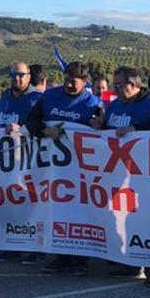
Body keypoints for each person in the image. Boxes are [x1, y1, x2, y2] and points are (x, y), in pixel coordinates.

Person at [27, 61, 104, 274]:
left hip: (82, 170)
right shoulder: (49, 97)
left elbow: (105, 131)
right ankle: (61, 256)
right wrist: (44, 130)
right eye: (67, 80)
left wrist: (100, 126)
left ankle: (80, 259)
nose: (69, 85)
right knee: (57, 209)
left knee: (79, 210)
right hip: (53, 168)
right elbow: (31, 120)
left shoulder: (94, 103)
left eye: (74, 82)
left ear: (85, 82)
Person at [100, 66, 150, 286]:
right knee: (122, 216)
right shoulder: (114, 106)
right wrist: (99, 126)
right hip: (118, 173)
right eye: (115, 85)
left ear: (133, 85)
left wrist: (134, 128)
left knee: (147, 218)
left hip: (147, 174)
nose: (116, 89)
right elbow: (107, 130)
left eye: (119, 86)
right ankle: (128, 261)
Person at [0, 62, 43, 261]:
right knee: (9, 202)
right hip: (5, 162)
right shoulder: (4, 97)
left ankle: (34, 248)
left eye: (21, 75)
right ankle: (11, 244)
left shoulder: (38, 98)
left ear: (29, 76)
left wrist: (21, 128)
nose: (17, 78)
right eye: (13, 74)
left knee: (30, 204)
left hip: (29, 161)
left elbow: (41, 125)